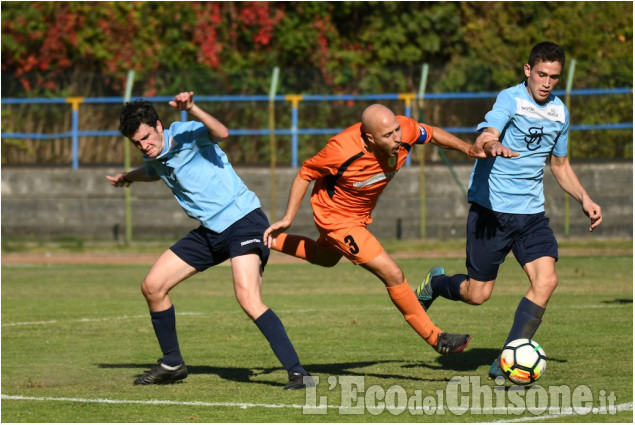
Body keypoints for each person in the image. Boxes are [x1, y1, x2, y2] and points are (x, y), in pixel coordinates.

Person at [263, 103, 516, 355]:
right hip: (336, 218)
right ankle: (436, 337)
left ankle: (266, 240)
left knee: (325, 258)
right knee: (393, 274)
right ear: (370, 138)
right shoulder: (341, 149)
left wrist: (468, 149)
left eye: (397, 130)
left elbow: (433, 133)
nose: (398, 138)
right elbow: (304, 173)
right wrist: (288, 217)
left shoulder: (403, 130)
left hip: (360, 215)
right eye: (388, 135)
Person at [414, 42, 603, 378]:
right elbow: (488, 131)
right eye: (541, 74)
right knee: (477, 294)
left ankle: (508, 360)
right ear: (528, 71)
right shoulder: (510, 98)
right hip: (492, 212)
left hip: (531, 215)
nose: (546, 82)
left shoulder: (560, 112)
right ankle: (436, 283)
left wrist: (584, 199)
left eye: (554, 77)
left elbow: (559, 165)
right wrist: (492, 143)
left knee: (547, 281)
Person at [106, 92, 313, 390]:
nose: (144, 145)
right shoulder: (151, 152)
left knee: (248, 298)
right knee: (153, 286)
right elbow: (153, 172)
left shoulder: (187, 134)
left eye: (147, 138)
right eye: (137, 143)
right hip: (211, 231)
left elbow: (222, 133)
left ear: (159, 126)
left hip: (243, 221)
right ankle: (172, 363)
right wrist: (128, 176)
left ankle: (299, 374)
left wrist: (192, 108)